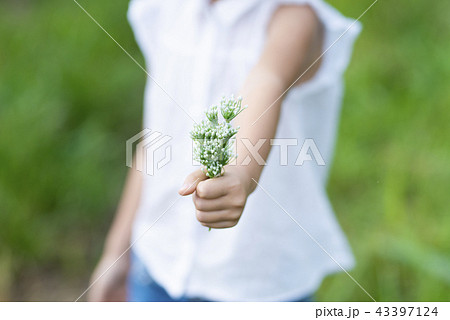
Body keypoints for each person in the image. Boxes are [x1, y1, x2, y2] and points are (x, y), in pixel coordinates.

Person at [88, 0, 361, 302]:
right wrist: (117, 250)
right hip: (155, 262)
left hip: (255, 284)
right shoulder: (164, 11)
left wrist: (241, 172)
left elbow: (266, 80)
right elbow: (156, 138)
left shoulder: (295, 19)